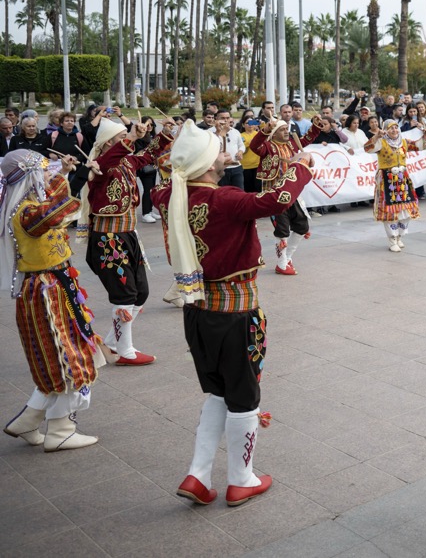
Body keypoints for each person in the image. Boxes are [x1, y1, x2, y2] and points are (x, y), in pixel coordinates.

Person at [154, 120, 315, 507]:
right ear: (208, 165)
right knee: (243, 397)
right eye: (217, 151)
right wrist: (303, 168)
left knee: (217, 394)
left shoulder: (171, 196)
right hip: (234, 314)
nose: (225, 152)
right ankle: (241, 478)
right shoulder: (221, 199)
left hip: (197, 312)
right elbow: (275, 201)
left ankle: (198, 474)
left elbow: (168, 176)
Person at [2, 150, 106, 452]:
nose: (49, 176)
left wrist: (64, 176)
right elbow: (55, 212)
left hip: (55, 285)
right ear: (30, 176)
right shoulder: (26, 212)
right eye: (43, 172)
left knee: (60, 355)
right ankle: (61, 430)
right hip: (46, 290)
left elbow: (56, 209)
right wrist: (64, 178)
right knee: (65, 356)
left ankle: (29, 420)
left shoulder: (27, 206)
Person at [80, 116, 168, 366]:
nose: (127, 142)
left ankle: (112, 342)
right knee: (124, 293)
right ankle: (125, 350)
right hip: (108, 238)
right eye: (121, 138)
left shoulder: (127, 161)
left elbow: (148, 155)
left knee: (141, 292)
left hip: (128, 234)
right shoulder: (98, 165)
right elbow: (107, 163)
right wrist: (130, 138)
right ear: (108, 142)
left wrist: (165, 134)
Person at [249, 118, 320, 275]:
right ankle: (282, 264)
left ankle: (286, 257)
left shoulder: (290, 145)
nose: (286, 131)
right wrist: (265, 130)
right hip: (274, 193)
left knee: (302, 226)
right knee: (282, 229)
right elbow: (254, 146)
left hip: (291, 192)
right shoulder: (267, 146)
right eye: (282, 130)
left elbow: (307, 139)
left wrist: (316, 126)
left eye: (287, 129)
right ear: (274, 134)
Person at [366, 120, 422, 252]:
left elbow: (419, 146)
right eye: (391, 128)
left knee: (406, 210)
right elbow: (367, 148)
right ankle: (392, 240)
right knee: (390, 211)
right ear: (385, 130)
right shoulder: (381, 142)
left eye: (396, 128)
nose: (394, 130)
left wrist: (425, 134)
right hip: (387, 179)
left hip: (402, 179)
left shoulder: (403, 142)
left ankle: (399, 237)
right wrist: (376, 136)